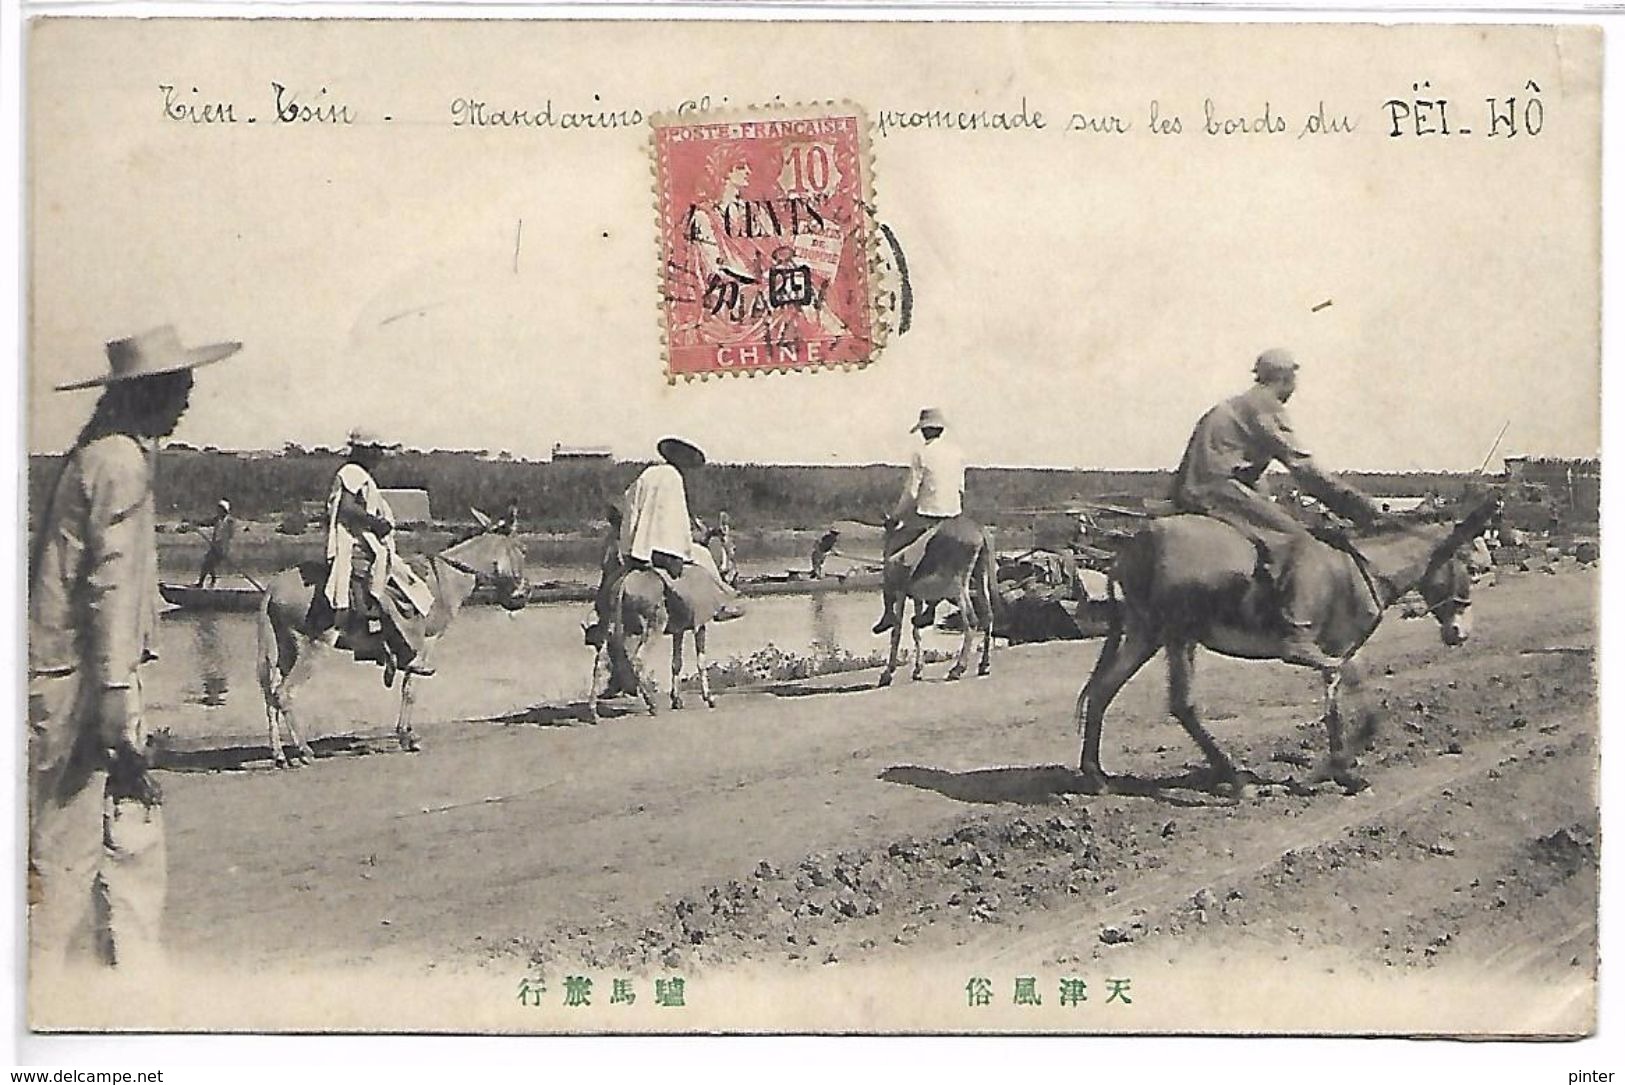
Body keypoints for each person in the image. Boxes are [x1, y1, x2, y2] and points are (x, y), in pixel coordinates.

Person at [29, 324, 242, 972]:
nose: (188, 397)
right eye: (180, 384)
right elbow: (111, 587)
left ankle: (87, 983)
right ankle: (84, 996)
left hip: (58, 677)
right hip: (83, 685)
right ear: (152, 391)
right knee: (92, 853)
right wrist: (117, 699)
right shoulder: (122, 462)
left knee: (77, 850)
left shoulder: (96, 453)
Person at [1170, 348, 1384, 662]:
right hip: (1216, 489)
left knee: (1283, 527)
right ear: (1285, 378)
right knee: (1297, 541)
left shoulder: (1240, 403)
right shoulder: (1265, 406)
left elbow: (1251, 473)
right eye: (1294, 377)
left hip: (1201, 486)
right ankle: (1297, 634)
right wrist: (1360, 506)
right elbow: (1304, 469)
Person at [319, 429, 437, 678]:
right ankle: (395, 650)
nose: (381, 456)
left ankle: (384, 644)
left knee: (403, 576)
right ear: (365, 451)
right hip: (355, 542)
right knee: (400, 587)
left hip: (364, 540)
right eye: (377, 451)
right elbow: (346, 508)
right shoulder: (352, 472)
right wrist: (375, 523)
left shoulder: (360, 475)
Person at [618, 437, 742, 620]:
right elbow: (677, 520)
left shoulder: (648, 474)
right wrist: (684, 545)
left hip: (638, 551)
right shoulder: (674, 479)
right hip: (665, 552)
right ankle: (721, 604)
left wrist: (628, 547)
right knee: (704, 556)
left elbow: (630, 504)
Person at [873, 407, 966, 633]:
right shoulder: (958, 453)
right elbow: (961, 489)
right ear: (941, 429)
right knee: (939, 564)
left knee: (891, 557)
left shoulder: (921, 454)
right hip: (953, 515)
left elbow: (912, 493)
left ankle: (888, 613)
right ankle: (930, 610)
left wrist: (896, 516)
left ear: (924, 431)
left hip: (927, 515)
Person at [195, 498, 236, 588]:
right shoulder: (217, 519)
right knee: (207, 563)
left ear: (224, 510)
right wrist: (196, 523)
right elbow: (207, 522)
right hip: (214, 546)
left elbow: (230, 535)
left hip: (222, 548)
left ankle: (208, 581)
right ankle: (206, 581)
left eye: (220, 509)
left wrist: (221, 545)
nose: (218, 511)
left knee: (209, 563)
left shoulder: (230, 521)